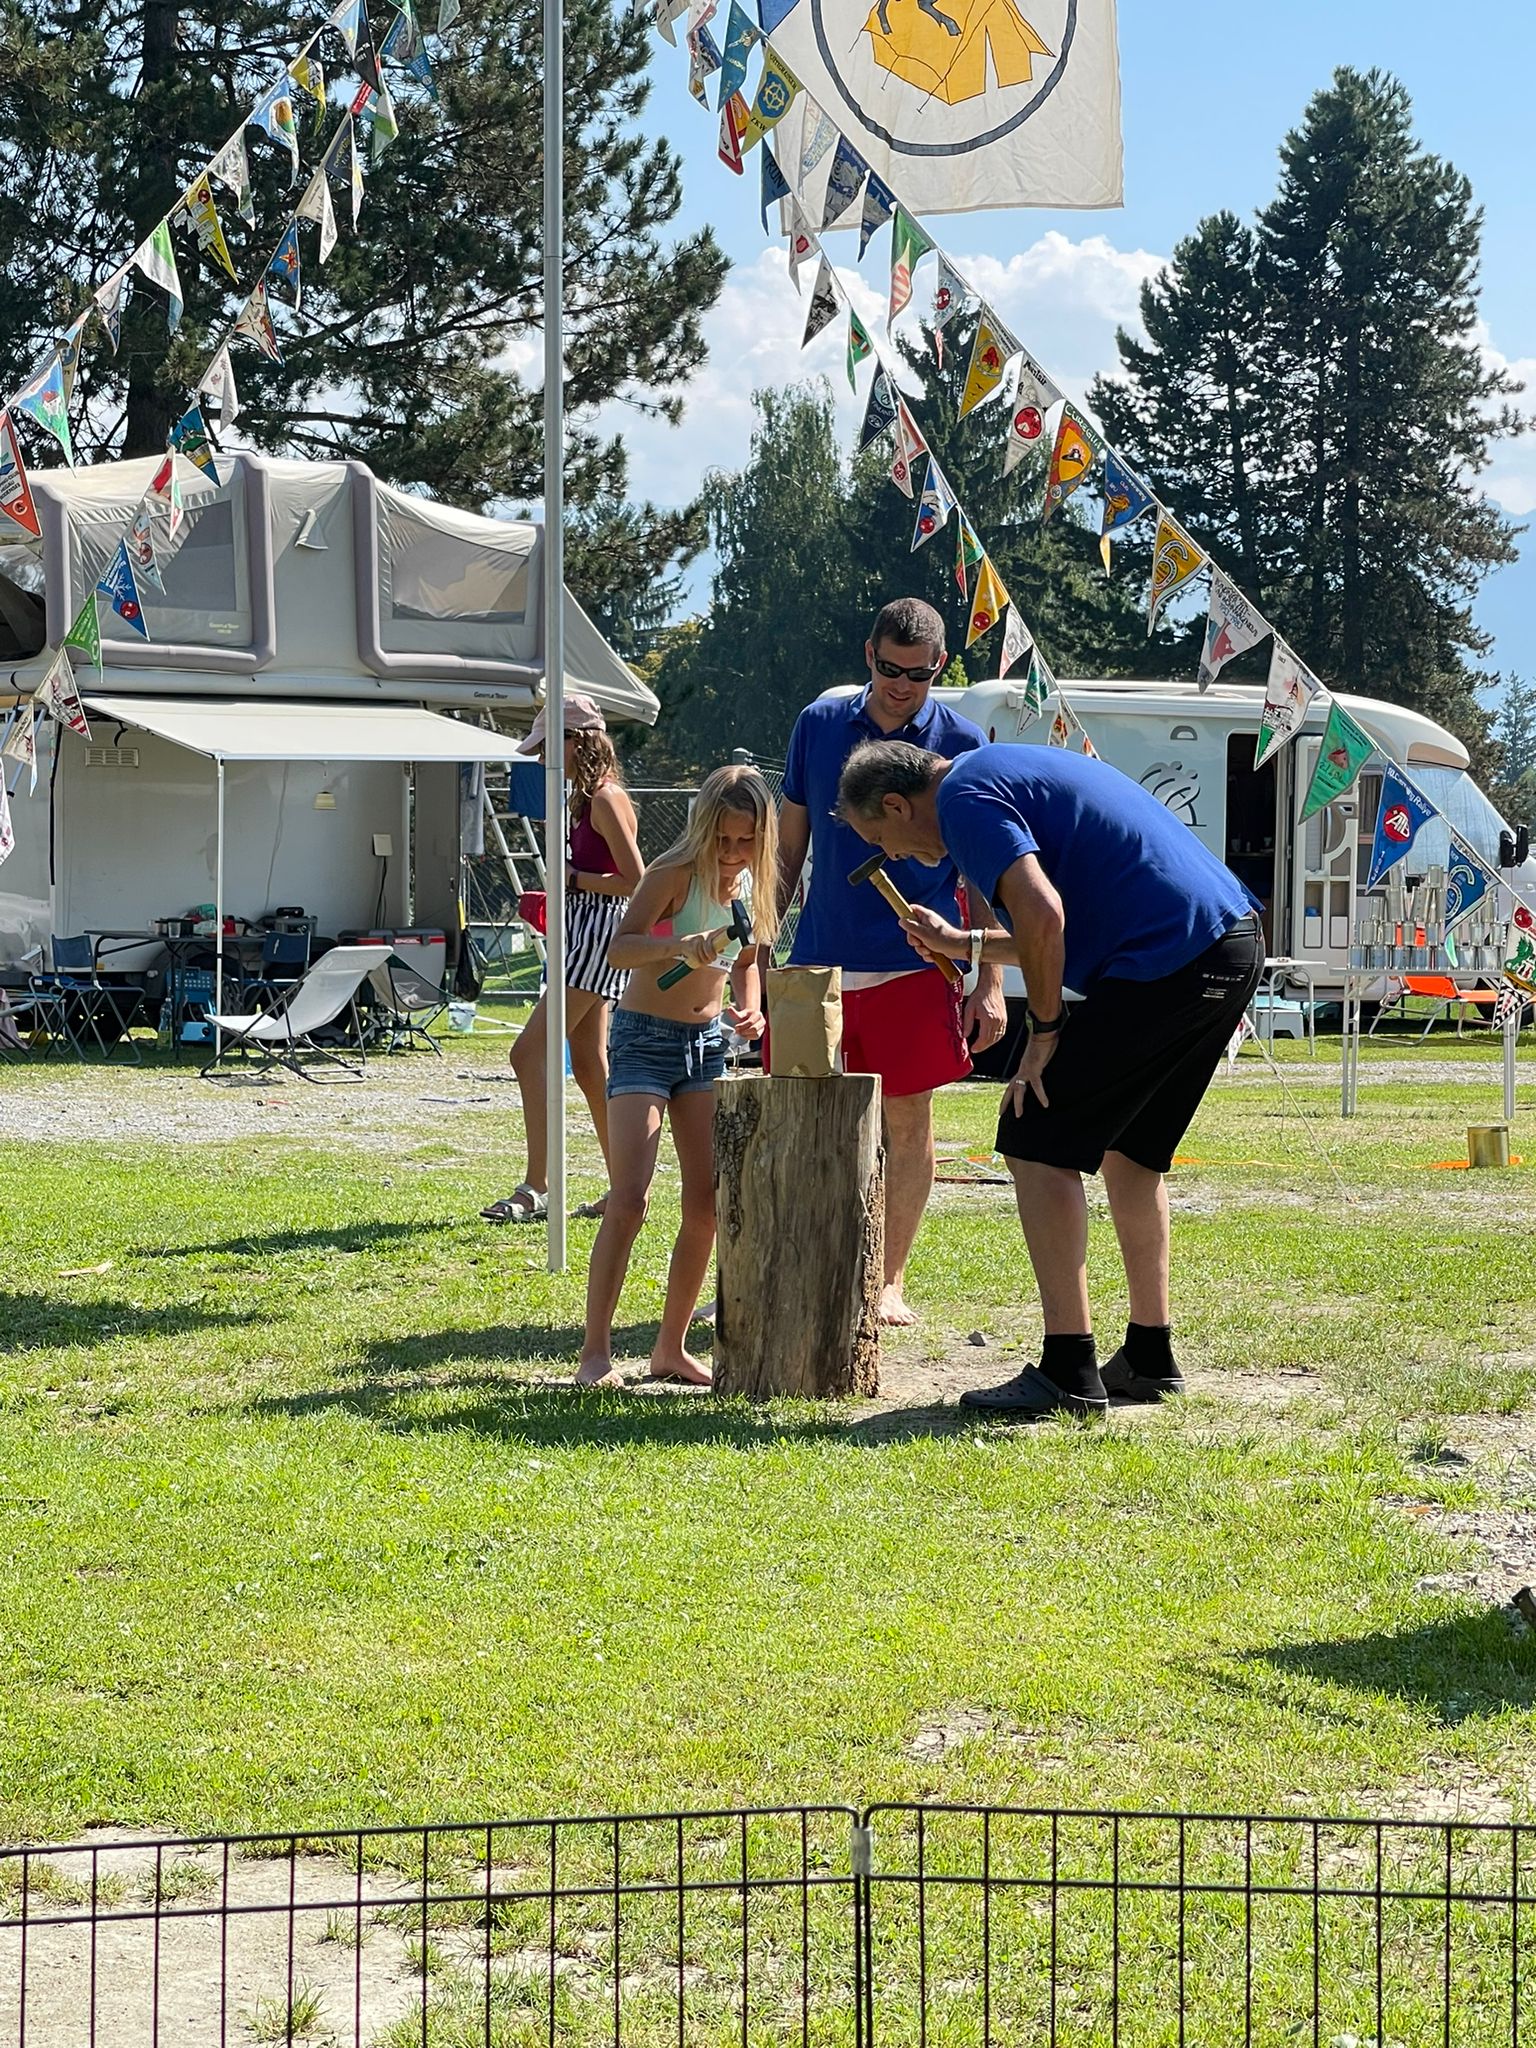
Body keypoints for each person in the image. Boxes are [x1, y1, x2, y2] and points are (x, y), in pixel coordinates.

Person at [836, 738, 1264, 1419]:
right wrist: (963, 944)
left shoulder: (962, 801)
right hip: (1227, 944)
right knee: (1132, 1153)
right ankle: (1150, 1356)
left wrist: (1044, 1032)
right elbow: (1053, 933)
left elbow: (1043, 916)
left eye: (878, 836)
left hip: (1170, 957)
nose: (889, 854)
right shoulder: (996, 773)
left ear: (896, 803)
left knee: (1033, 1137)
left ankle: (1068, 1367)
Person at [776, 597, 1006, 1327]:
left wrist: (989, 980)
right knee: (805, 1119)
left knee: (908, 1122)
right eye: (886, 668)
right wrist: (756, 951)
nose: (899, 685)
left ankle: (888, 1280)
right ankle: (807, 1264)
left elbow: (983, 869)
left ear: (940, 666)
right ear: (867, 653)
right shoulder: (818, 726)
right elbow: (787, 849)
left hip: (918, 969)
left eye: (915, 673)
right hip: (819, 963)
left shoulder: (963, 741)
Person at [576, 764, 778, 1389]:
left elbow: (745, 958)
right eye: (723, 839)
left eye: (745, 841)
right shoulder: (673, 874)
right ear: (704, 827)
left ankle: (670, 1347)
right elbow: (621, 948)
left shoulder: (748, 883)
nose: (733, 851)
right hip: (644, 1039)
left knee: (707, 1204)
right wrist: (679, 944)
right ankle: (595, 1351)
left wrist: (751, 1008)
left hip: (706, 1048)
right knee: (630, 1198)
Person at [482, 695, 644, 1225]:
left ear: (579, 741)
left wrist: (570, 880)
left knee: (528, 1054)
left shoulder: (604, 797)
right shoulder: (586, 798)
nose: (545, 757)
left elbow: (635, 880)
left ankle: (538, 1184)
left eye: (551, 745)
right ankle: (625, 1186)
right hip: (584, 927)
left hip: (599, 933)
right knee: (591, 1064)